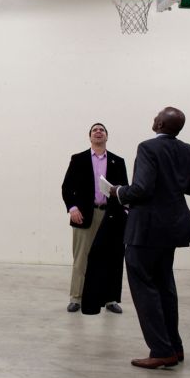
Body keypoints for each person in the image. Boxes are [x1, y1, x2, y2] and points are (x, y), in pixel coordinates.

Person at [110, 106, 190, 369]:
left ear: (161, 124)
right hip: (172, 229)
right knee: (165, 286)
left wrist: (117, 191)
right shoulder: (188, 150)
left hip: (146, 230)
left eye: (157, 115)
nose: (154, 118)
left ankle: (162, 350)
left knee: (145, 289)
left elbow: (141, 189)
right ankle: (175, 347)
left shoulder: (148, 147)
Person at [60, 122, 129, 314]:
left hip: (111, 216)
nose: (98, 132)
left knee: (112, 258)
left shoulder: (118, 161)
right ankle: (76, 298)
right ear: (89, 136)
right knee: (82, 257)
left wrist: (126, 212)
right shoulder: (78, 159)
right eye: (94, 130)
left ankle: (110, 299)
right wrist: (72, 208)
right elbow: (67, 187)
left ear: (107, 136)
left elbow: (125, 189)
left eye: (102, 130)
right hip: (84, 215)